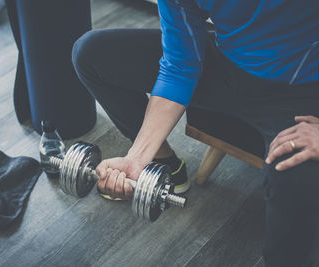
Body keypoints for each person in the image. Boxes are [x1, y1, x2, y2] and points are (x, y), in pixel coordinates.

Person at [71, 0, 319, 265]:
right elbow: (180, 65)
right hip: (228, 64)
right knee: (92, 52)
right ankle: (165, 165)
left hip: (300, 90)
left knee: (296, 179)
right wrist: (137, 157)